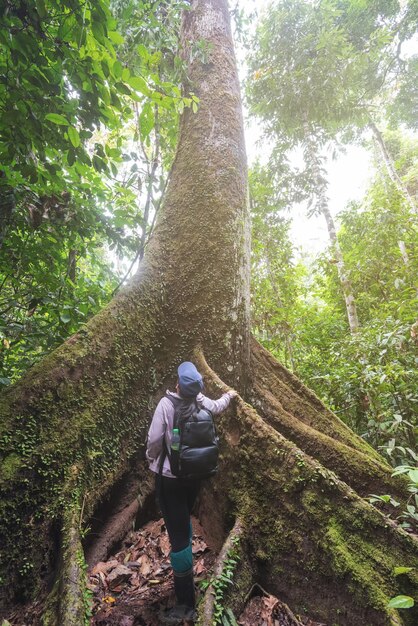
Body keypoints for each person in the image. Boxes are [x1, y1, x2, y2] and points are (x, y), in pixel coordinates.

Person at [146, 361, 237, 625]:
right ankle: (187, 580)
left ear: (177, 384)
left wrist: (151, 459)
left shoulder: (167, 405)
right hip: (194, 478)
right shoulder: (200, 401)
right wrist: (229, 396)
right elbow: (218, 407)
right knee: (183, 523)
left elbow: (154, 440)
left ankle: (186, 603)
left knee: (178, 540)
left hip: (169, 479)